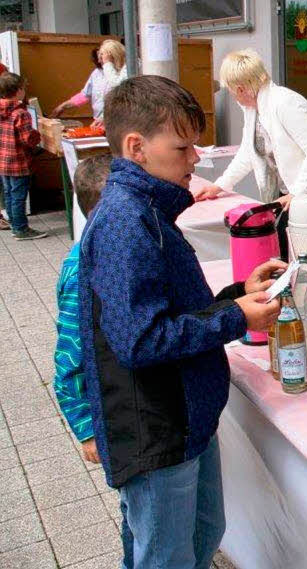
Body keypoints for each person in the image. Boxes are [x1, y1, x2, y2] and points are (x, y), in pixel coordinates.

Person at [78, 75, 284, 569]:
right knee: (164, 555)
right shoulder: (127, 223)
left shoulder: (149, 210)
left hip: (184, 418)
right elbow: (141, 340)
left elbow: (169, 311)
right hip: (157, 428)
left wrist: (239, 295)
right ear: (137, 147)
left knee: (202, 534)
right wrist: (235, 317)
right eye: (183, 146)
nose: (196, 159)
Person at [52, 153, 139, 564]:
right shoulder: (80, 270)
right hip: (117, 422)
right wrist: (86, 429)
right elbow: (68, 358)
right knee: (136, 519)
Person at [194, 49, 307, 258]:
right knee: (283, 247)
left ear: (240, 89)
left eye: (231, 91)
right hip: (288, 190)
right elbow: (249, 152)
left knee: (303, 253)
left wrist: (297, 193)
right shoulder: (253, 108)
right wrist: (219, 185)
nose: (232, 96)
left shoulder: (286, 103)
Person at [0, 72, 46, 239]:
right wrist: (37, 135)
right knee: (19, 196)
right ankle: (21, 228)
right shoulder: (20, 113)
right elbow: (28, 139)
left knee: (9, 194)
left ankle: (14, 225)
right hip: (19, 161)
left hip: (3, 161)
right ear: (19, 90)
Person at [51, 41, 128, 125]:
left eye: (102, 57)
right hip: (100, 121)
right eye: (98, 57)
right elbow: (85, 95)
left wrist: (107, 64)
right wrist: (63, 106)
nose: (99, 60)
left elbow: (117, 87)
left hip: (119, 122)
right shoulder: (97, 73)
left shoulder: (126, 70)